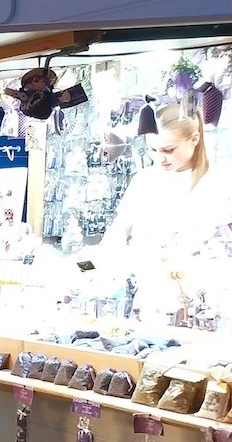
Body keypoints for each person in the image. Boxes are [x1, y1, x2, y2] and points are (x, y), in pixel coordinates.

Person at [99, 101, 232, 318]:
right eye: (152, 149)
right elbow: (119, 230)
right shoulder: (145, 180)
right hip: (149, 297)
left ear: (195, 139)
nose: (160, 158)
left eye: (168, 150)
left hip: (205, 301)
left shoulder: (220, 182)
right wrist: (104, 263)